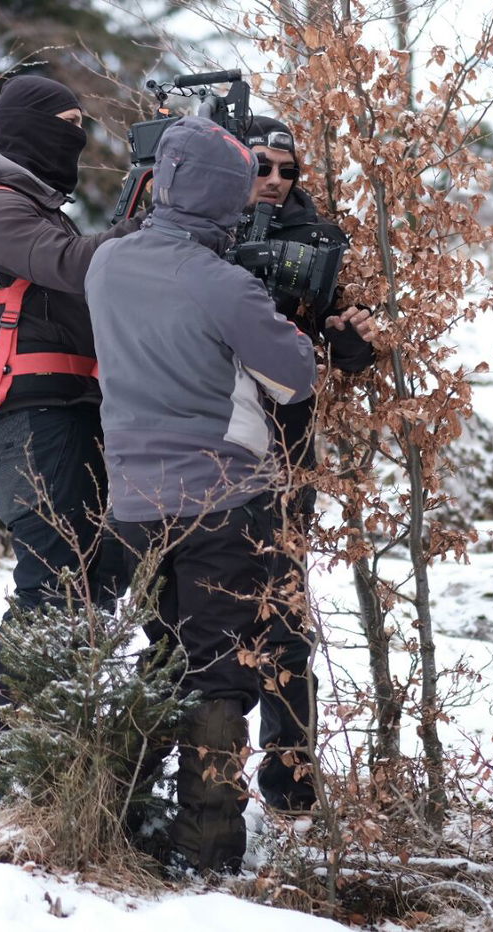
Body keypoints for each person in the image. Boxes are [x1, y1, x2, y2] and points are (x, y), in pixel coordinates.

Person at [85, 115, 317, 873]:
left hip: (133, 504)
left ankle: (110, 807)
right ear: (229, 198)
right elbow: (295, 378)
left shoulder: (106, 266)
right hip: (222, 498)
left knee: (163, 658)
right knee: (219, 676)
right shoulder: (226, 285)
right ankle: (206, 850)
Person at [0, 74, 141, 816]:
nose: (73, 147)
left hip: (66, 414)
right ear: (28, 133)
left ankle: (27, 755)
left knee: (95, 577)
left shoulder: (30, 208)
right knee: (56, 586)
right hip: (29, 419)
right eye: (64, 131)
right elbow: (78, 266)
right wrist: (151, 233)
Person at [242, 116, 377, 813]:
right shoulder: (194, 226)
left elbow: (352, 342)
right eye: (261, 165)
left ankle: (290, 789)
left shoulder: (317, 239)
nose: (274, 180)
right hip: (197, 442)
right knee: (195, 611)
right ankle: (196, 778)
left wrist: (345, 337)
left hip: (286, 445)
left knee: (284, 613)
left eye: (287, 171)